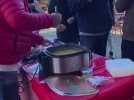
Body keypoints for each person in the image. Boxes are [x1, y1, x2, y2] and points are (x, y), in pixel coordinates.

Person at [0, 0, 61, 99]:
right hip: (4, 64)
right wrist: (50, 19)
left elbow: (13, 28)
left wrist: (38, 39)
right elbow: (18, 20)